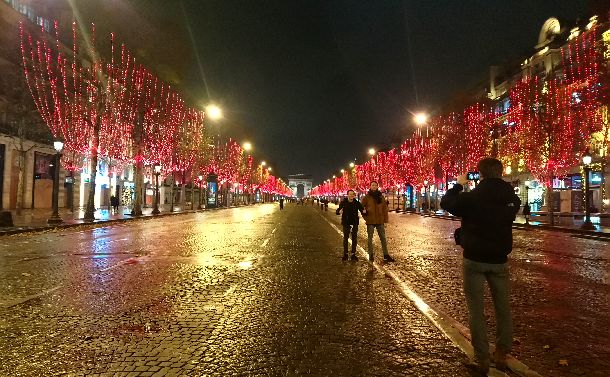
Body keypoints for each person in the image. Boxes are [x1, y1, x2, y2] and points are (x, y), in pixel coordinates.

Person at [440, 158, 521, 375]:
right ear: (501, 172)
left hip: (474, 259)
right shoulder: (511, 198)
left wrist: (458, 184)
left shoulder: (472, 197)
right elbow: (512, 209)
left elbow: (446, 203)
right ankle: (502, 353)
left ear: (480, 174)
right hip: (499, 259)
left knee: (476, 310)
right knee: (503, 308)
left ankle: (482, 358)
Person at [361, 181, 395, 262]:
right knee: (370, 239)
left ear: (377, 186)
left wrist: (385, 220)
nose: (374, 186)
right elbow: (362, 208)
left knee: (383, 238)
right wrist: (366, 218)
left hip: (380, 221)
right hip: (371, 221)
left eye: (375, 185)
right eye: (372, 185)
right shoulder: (366, 197)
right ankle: (371, 255)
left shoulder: (381, 197)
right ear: (370, 186)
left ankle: (386, 255)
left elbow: (384, 209)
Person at [336, 189, 364, 261]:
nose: (351, 195)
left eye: (353, 194)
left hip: (354, 223)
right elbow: (338, 209)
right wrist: (338, 211)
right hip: (346, 223)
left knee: (354, 239)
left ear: (354, 195)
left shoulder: (357, 203)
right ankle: (345, 254)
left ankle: (353, 254)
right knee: (345, 239)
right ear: (347, 195)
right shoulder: (343, 202)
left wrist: (366, 212)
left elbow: (362, 210)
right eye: (350, 194)